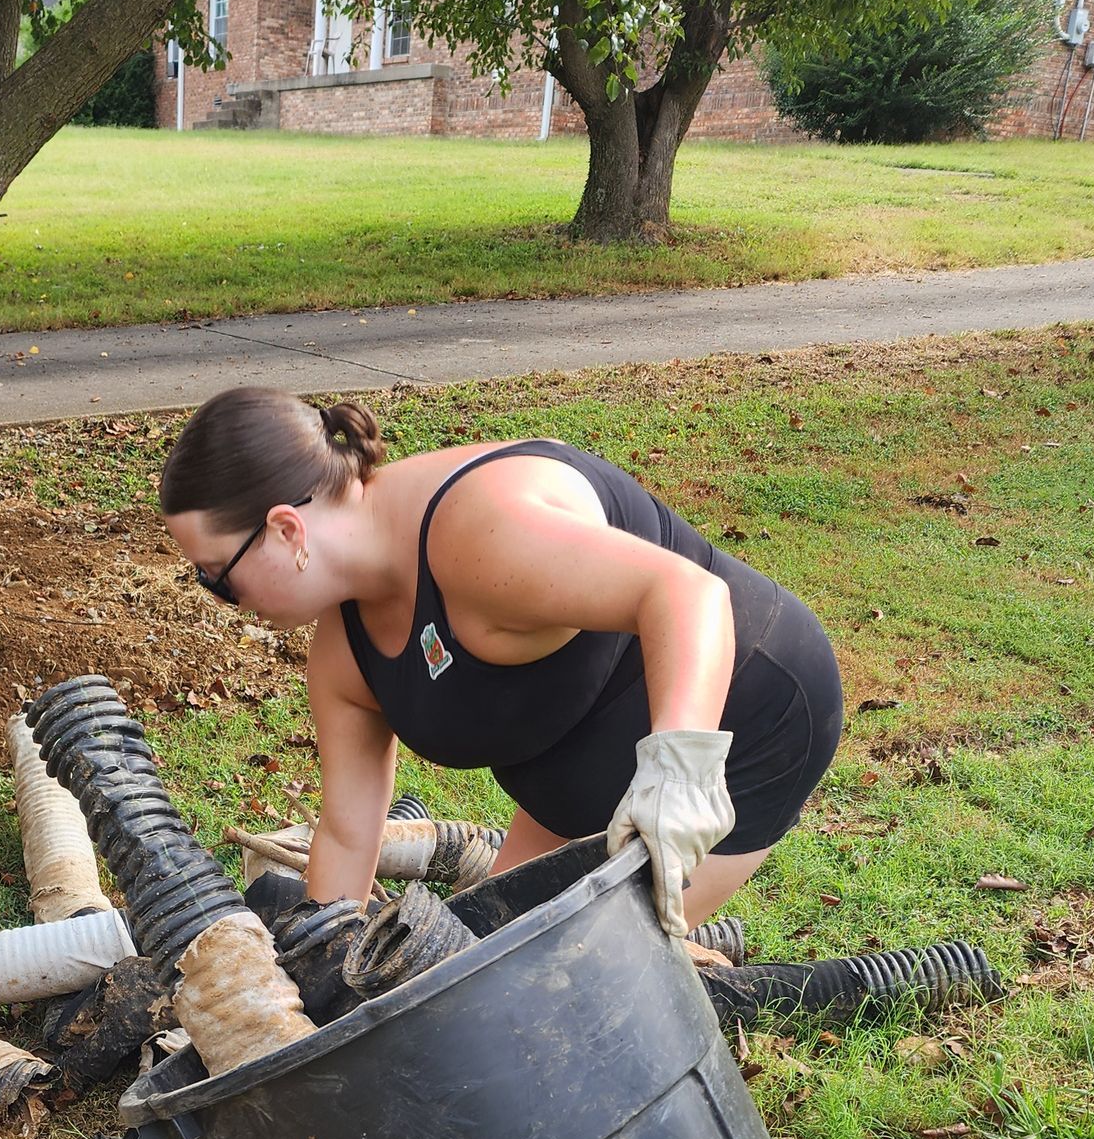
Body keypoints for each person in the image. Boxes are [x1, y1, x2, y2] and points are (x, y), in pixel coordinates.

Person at [159, 388, 843, 938]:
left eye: (218, 575)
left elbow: (687, 594)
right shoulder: (344, 654)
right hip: (572, 761)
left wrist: (679, 773)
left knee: (559, 993)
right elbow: (344, 833)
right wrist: (320, 963)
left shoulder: (478, 537)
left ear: (285, 528)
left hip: (744, 713)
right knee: (474, 964)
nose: (224, 600)